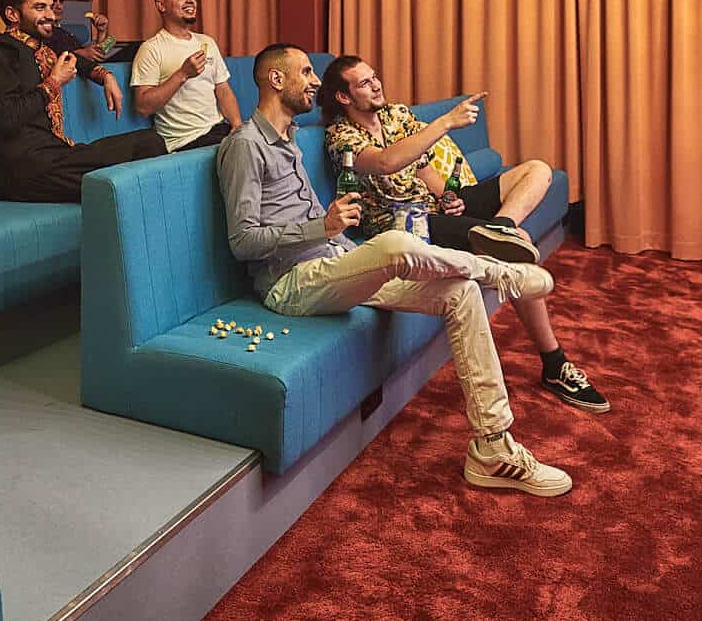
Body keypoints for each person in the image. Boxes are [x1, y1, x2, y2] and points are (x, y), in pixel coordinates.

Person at [218, 44, 577, 496]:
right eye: (306, 72)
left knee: (459, 292)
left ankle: (493, 447)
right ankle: (499, 273)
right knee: (391, 243)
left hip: (333, 261)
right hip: (289, 285)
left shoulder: (287, 140)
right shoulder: (244, 147)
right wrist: (320, 225)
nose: (314, 80)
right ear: (274, 80)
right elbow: (243, 241)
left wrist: (333, 232)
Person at [321, 54, 609, 414]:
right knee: (512, 255)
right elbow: (385, 162)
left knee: (536, 171)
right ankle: (554, 364)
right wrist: (444, 123)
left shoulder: (395, 115)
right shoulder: (340, 136)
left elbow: (422, 168)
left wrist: (449, 196)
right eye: (364, 83)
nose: (376, 84)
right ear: (344, 97)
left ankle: (502, 229)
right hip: (404, 223)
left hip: (434, 207)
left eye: (375, 77)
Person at [0, 0, 164, 202]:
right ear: (12, 13)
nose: (51, 15)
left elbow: (77, 60)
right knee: (130, 177)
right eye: (40, 8)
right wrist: (54, 82)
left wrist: (105, 76)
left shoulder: (43, 48)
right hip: (25, 171)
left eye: (51, 7)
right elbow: (5, 118)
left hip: (59, 156)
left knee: (149, 142)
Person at [130, 0, 242, 151]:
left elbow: (223, 90)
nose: (191, 0)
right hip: (185, 141)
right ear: (161, 5)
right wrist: (183, 74)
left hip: (218, 131)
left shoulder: (207, 42)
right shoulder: (151, 49)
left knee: (264, 139)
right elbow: (143, 106)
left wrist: (237, 126)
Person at [38, 0, 124, 117]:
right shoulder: (44, 34)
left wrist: (101, 32)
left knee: (135, 48)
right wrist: (82, 53)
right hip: (78, 74)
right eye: (53, 2)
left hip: (92, 68)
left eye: (61, 1)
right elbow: (56, 56)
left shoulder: (64, 33)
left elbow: (96, 55)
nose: (58, 6)